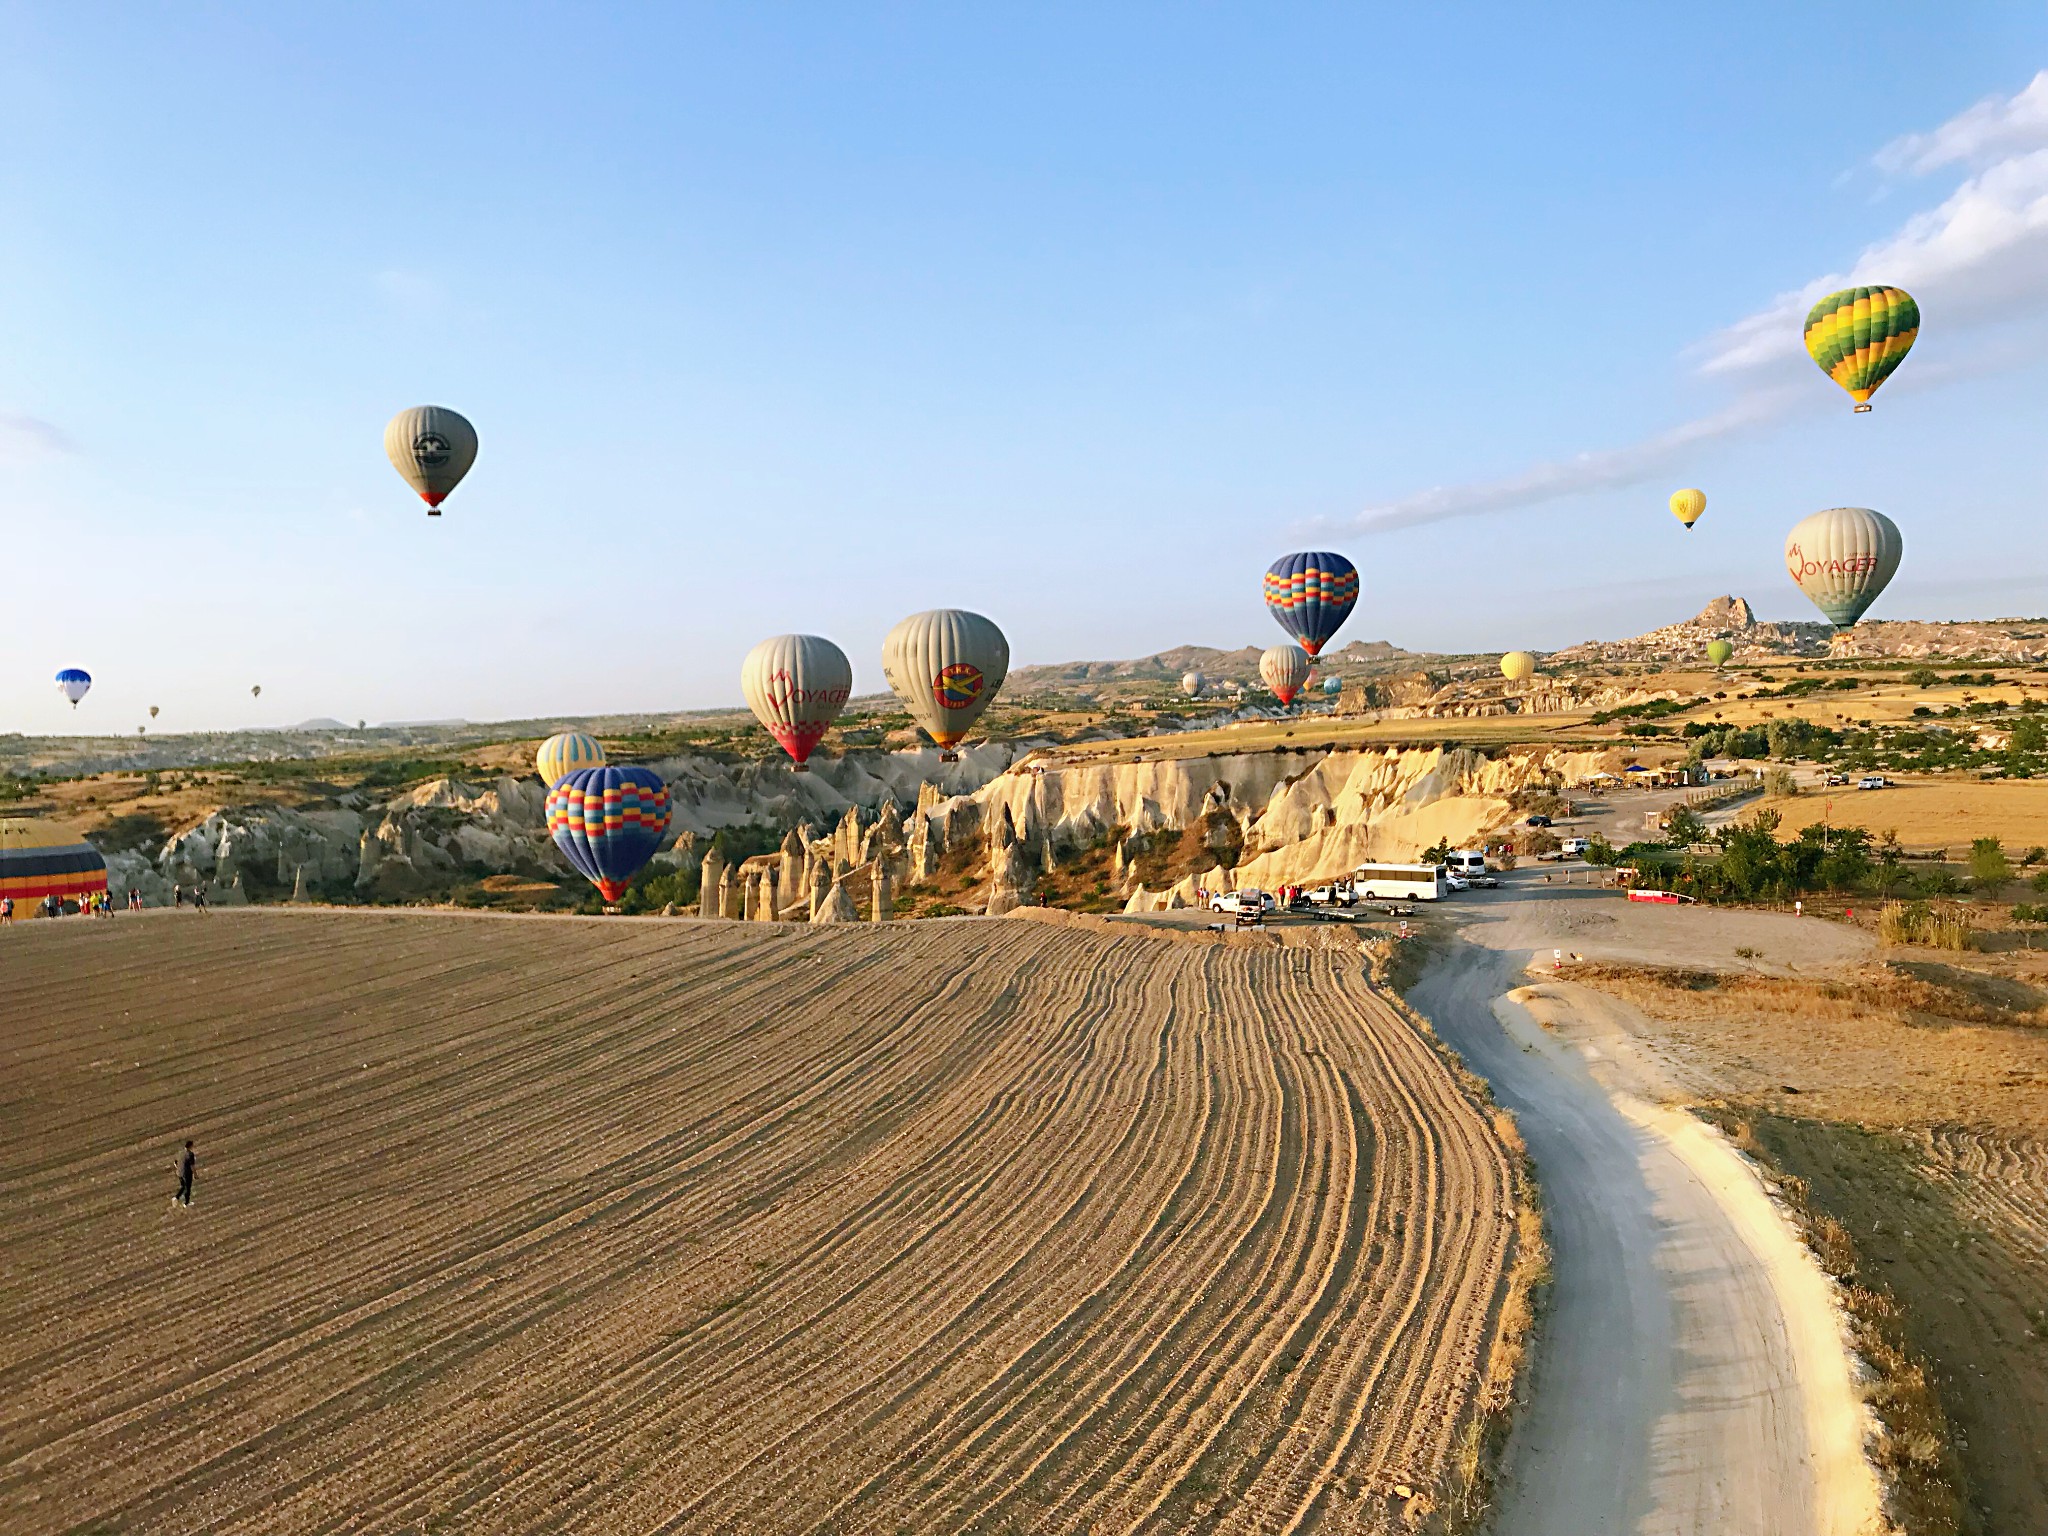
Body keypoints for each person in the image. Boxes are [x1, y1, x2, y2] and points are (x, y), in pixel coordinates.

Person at [175, 1140, 196, 1206]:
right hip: (187, 1173)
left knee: (183, 1186)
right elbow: (192, 1166)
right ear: (190, 1146)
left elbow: (175, 1162)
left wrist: (178, 1168)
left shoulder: (180, 1153)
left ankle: (176, 1197)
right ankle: (186, 1203)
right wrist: (195, 1174)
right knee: (188, 1187)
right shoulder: (190, 1154)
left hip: (179, 1172)